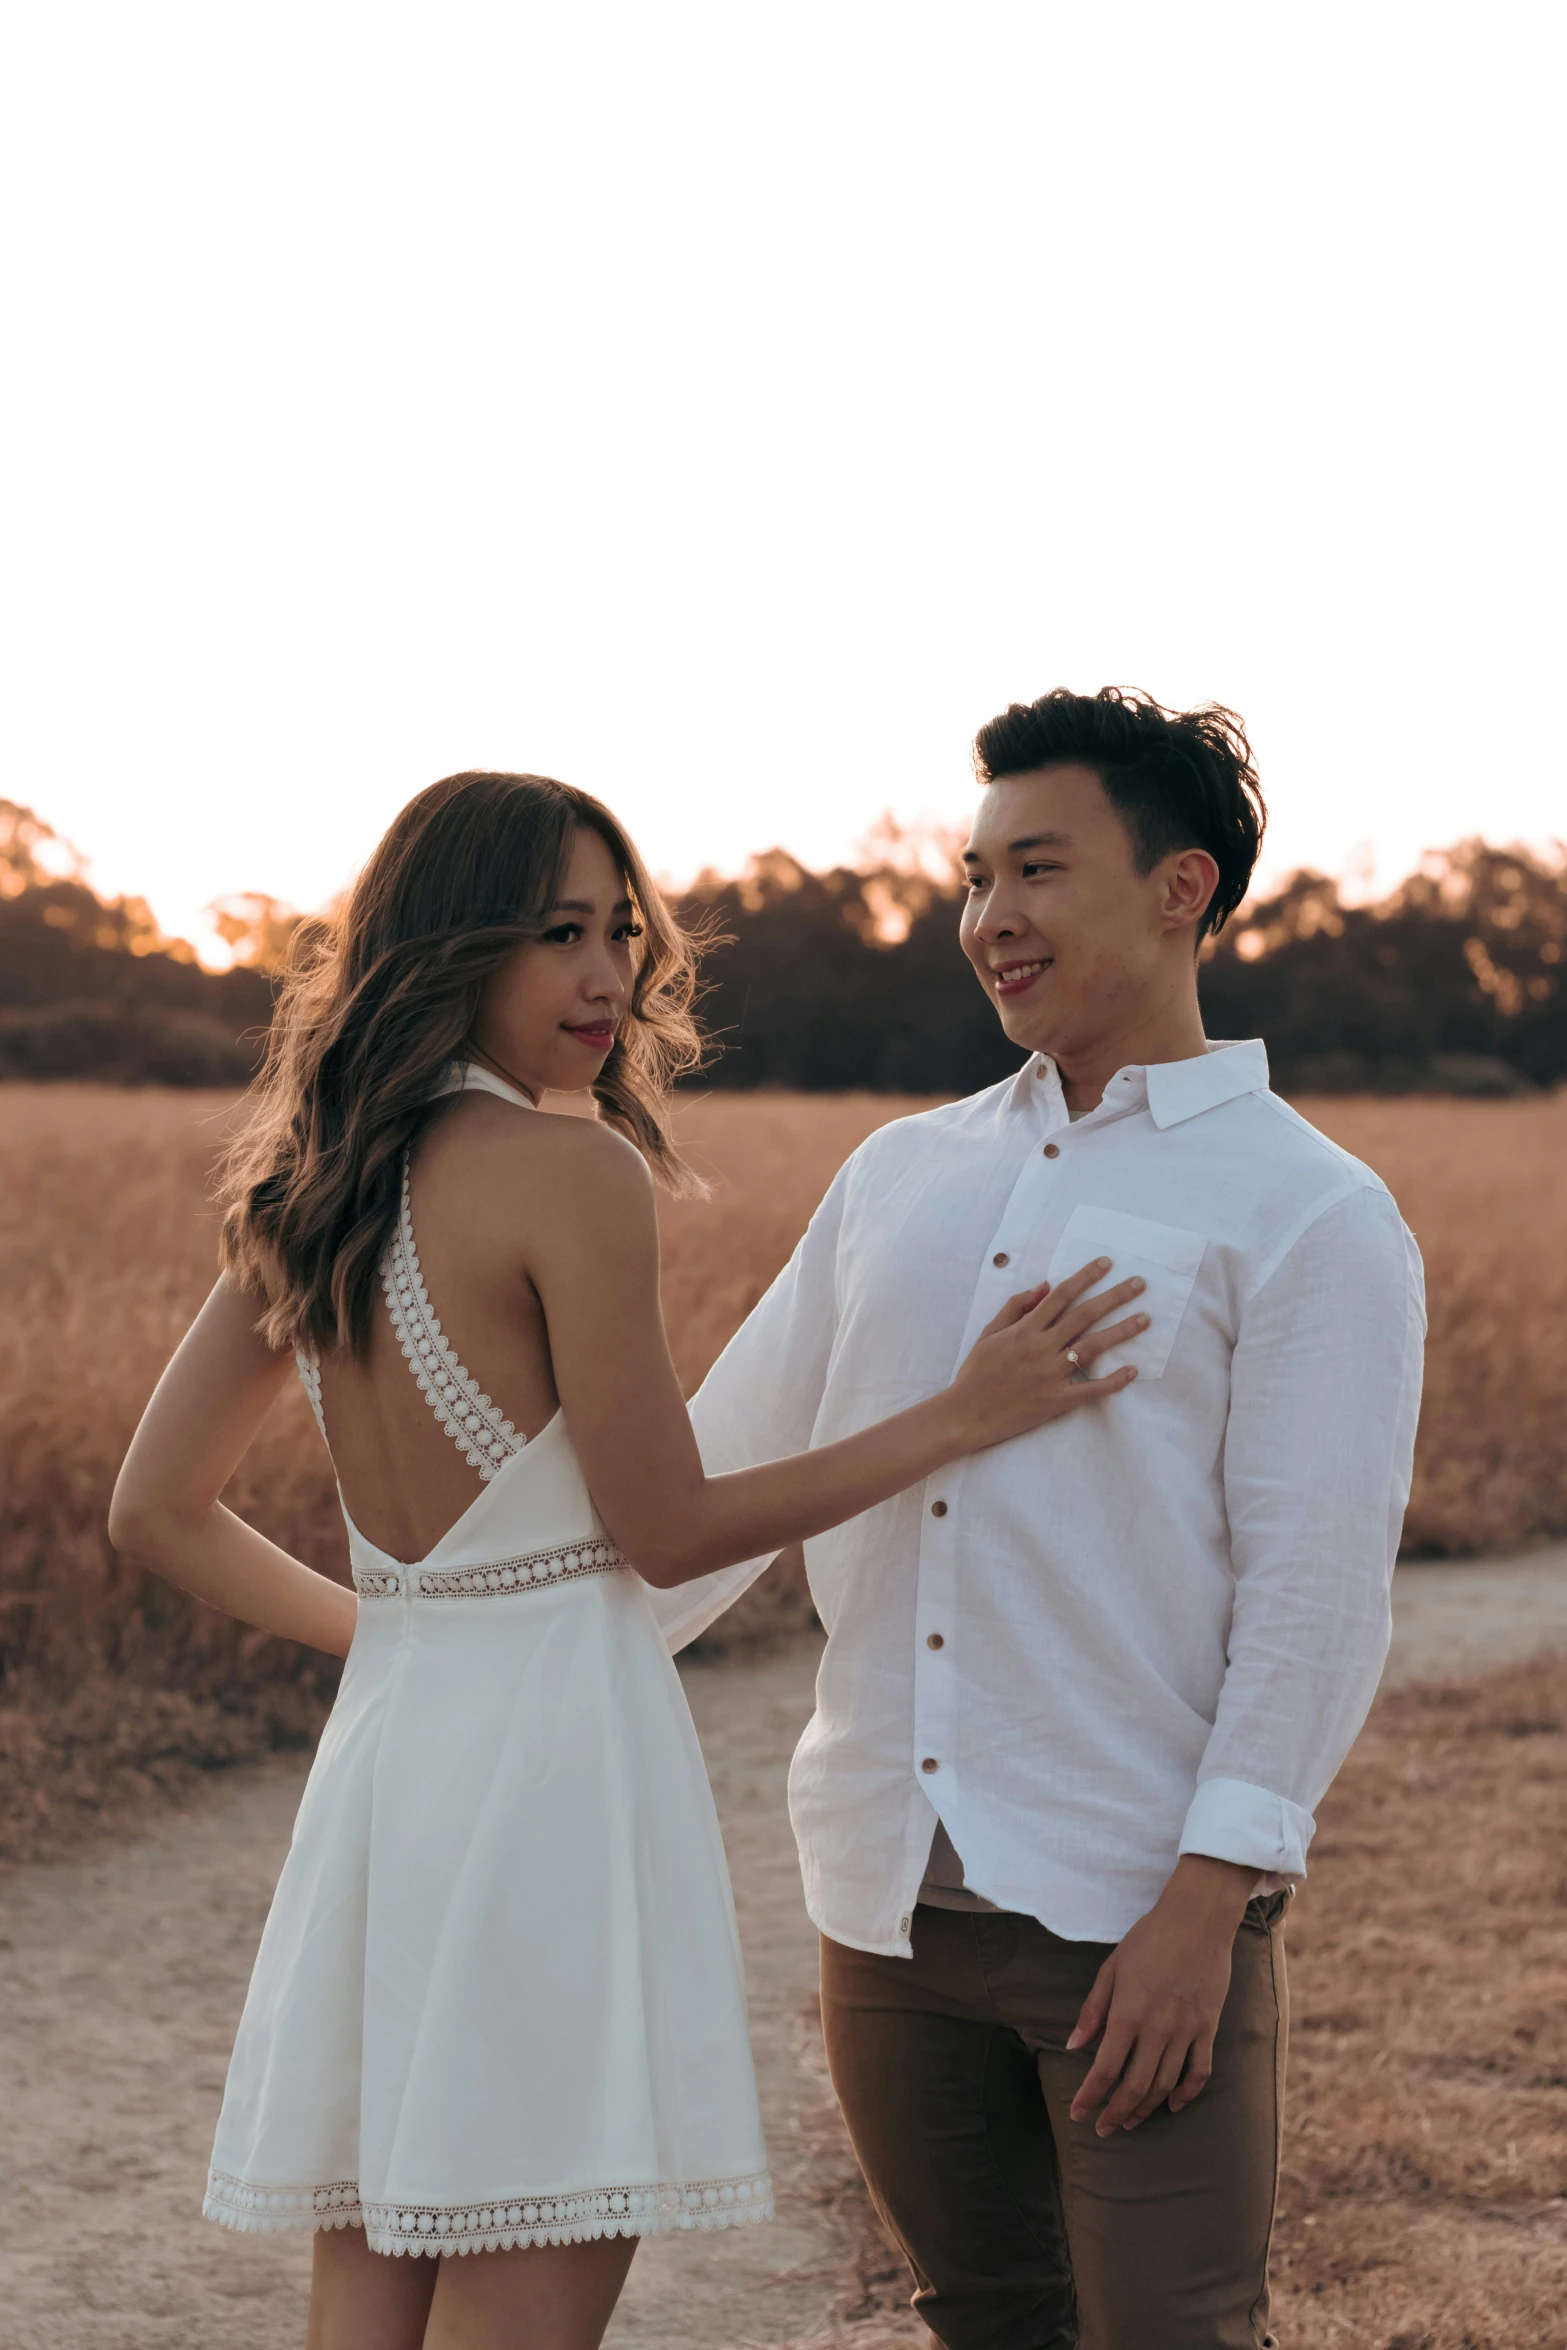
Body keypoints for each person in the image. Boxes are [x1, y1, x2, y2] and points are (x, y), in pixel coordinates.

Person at [108, 770, 1150, 2350]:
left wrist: (404, 1639)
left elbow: (157, 1506)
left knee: (368, 2303)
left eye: (619, 930)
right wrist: (955, 1415)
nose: (606, 977)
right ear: (449, 946)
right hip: (550, 1783)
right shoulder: (567, 1169)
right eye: (553, 935)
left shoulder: (312, 1177)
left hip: (390, 1766)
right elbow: (669, 1528)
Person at [648, 690, 1427, 2350]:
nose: (987, 919)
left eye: (1036, 871)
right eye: (971, 875)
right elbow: (704, 1493)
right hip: (883, 1898)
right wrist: (460, 1656)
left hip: (1130, 1906)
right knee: (984, 2322)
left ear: (1179, 887)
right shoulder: (896, 1176)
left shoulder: (1307, 1209)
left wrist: (1207, 1906)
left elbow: (1313, 1595)